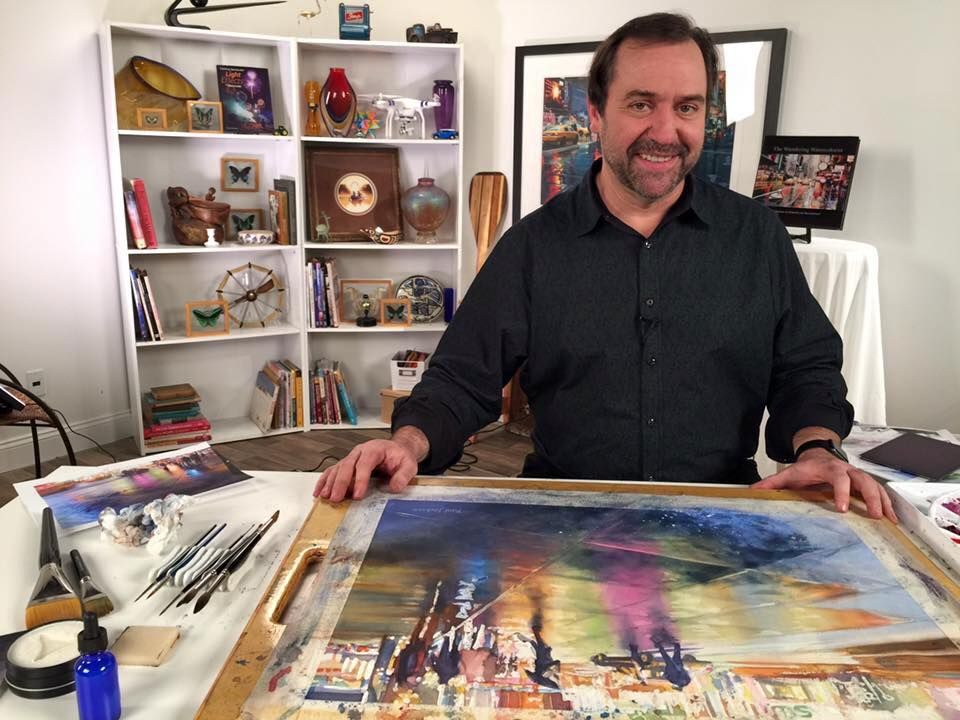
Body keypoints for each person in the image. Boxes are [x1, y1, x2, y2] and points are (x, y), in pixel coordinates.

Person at [314, 13, 896, 522]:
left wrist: (818, 450)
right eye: (641, 104)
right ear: (595, 112)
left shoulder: (756, 238)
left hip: (722, 516)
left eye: (687, 107)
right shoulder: (532, 247)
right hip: (561, 519)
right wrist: (408, 443)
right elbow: (460, 379)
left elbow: (806, 367)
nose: (665, 132)